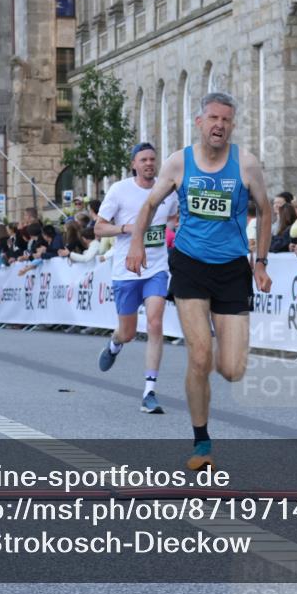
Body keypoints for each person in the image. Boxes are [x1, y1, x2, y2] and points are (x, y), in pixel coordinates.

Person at [126, 92, 272, 470]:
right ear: (200, 122)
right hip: (190, 264)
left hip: (232, 270)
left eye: (226, 119)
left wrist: (260, 262)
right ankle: (202, 443)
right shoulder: (179, 163)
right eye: (213, 118)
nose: (219, 125)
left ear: (232, 125)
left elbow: (267, 210)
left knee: (232, 368)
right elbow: (149, 205)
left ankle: (212, 402)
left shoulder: (246, 165)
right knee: (201, 356)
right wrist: (138, 242)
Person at [95, 142, 179, 414]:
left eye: (153, 159)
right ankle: (115, 343)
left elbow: (175, 219)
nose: (149, 164)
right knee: (128, 332)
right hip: (126, 270)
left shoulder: (167, 190)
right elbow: (98, 227)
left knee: (155, 323)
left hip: (156, 268)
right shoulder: (119, 190)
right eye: (143, 159)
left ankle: (149, 391)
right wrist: (126, 228)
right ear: (134, 164)